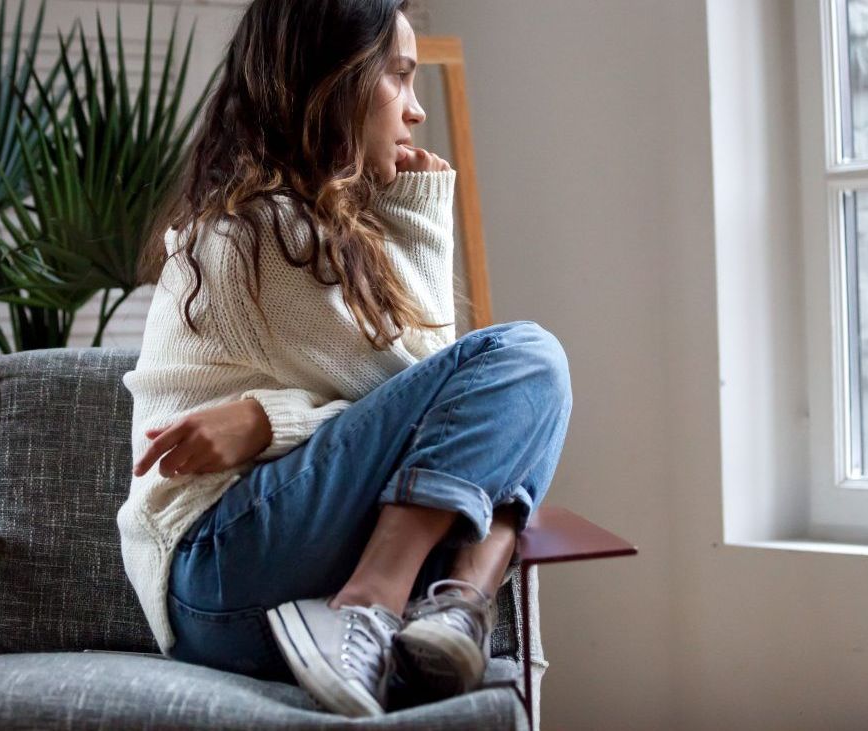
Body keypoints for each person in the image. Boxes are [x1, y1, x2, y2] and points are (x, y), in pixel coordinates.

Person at [117, 0, 573, 718]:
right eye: (399, 76)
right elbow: (434, 389)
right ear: (334, 80)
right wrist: (421, 211)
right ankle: (387, 601)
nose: (417, 110)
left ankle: (452, 614)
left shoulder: (314, 228)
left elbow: (439, 414)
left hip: (254, 584)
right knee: (528, 360)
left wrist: (268, 421)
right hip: (219, 563)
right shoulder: (260, 233)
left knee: (508, 427)